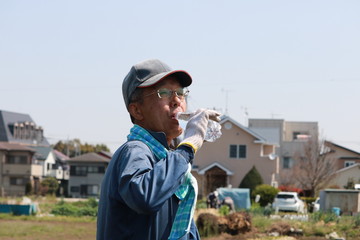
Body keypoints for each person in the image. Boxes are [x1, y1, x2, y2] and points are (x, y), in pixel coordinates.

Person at [97, 59, 221, 240]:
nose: (177, 101)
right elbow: (145, 197)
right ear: (137, 110)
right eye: (164, 93)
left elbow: (183, 228)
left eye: (180, 93)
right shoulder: (135, 150)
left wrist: (180, 152)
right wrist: (187, 147)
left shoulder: (167, 158)